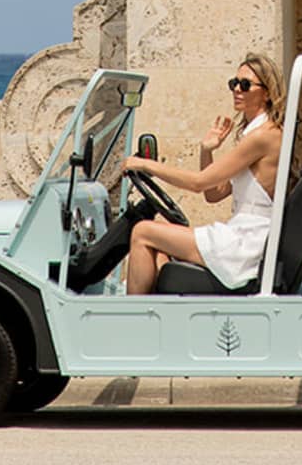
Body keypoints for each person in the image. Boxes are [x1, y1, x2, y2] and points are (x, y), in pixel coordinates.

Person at [120, 53, 286, 296]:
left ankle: (132, 321)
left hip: (246, 243)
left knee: (142, 232)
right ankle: (155, 324)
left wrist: (146, 165)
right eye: (234, 83)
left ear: (268, 92)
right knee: (158, 250)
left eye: (245, 85)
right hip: (242, 236)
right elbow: (214, 194)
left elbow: (199, 184)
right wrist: (206, 150)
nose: (237, 90)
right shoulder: (257, 134)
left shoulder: (263, 136)